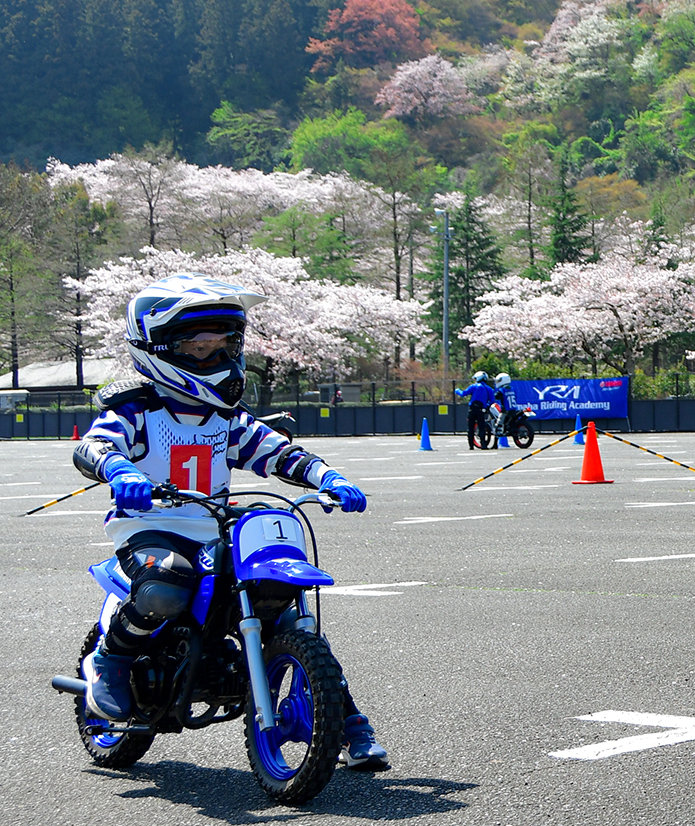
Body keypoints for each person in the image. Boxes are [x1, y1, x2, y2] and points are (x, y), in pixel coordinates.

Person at [73, 275, 389, 771]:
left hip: (216, 524)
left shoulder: (227, 416)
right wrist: (118, 469)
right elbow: (95, 446)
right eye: (199, 347)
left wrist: (326, 476)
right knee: (165, 585)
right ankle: (110, 661)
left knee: (280, 606)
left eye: (225, 345)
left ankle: (347, 723)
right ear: (159, 349)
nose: (214, 357)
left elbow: (277, 452)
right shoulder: (137, 408)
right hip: (149, 526)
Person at [455, 370, 495, 449]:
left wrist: (457, 390)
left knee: (470, 427)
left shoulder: (473, 386)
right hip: (481, 410)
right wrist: (485, 406)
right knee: (481, 427)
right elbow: (492, 401)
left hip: (472, 409)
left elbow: (463, 394)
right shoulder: (489, 389)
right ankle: (483, 444)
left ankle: (471, 445)